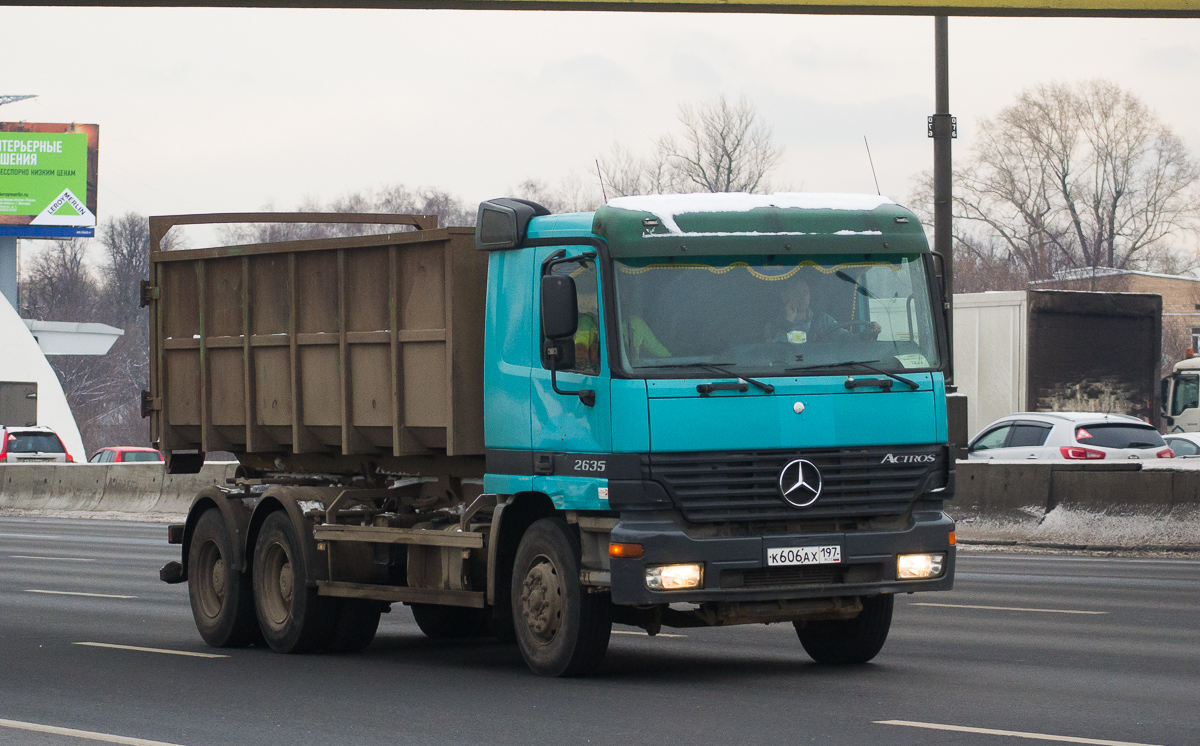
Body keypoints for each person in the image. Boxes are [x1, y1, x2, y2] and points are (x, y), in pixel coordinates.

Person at [770, 279, 879, 344]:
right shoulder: (773, 325)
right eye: (797, 292)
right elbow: (772, 352)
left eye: (805, 292)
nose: (803, 297)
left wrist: (864, 335)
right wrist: (787, 324)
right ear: (785, 297)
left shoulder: (824, 320)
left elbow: (846, 340)